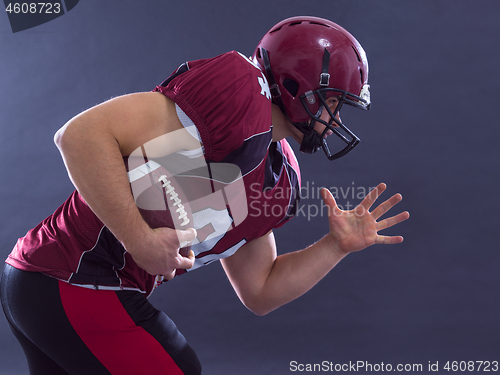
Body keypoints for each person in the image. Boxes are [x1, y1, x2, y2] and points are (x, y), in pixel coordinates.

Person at [0, 16, 409, 375]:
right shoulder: (238, 96)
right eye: (333, 101)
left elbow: (260, 291)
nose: (334, 118)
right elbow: (78, 135)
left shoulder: (279, 178)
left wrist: (335, 246)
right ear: (293, 83)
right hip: (71, 279)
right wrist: (140, 241)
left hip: (56, 285)